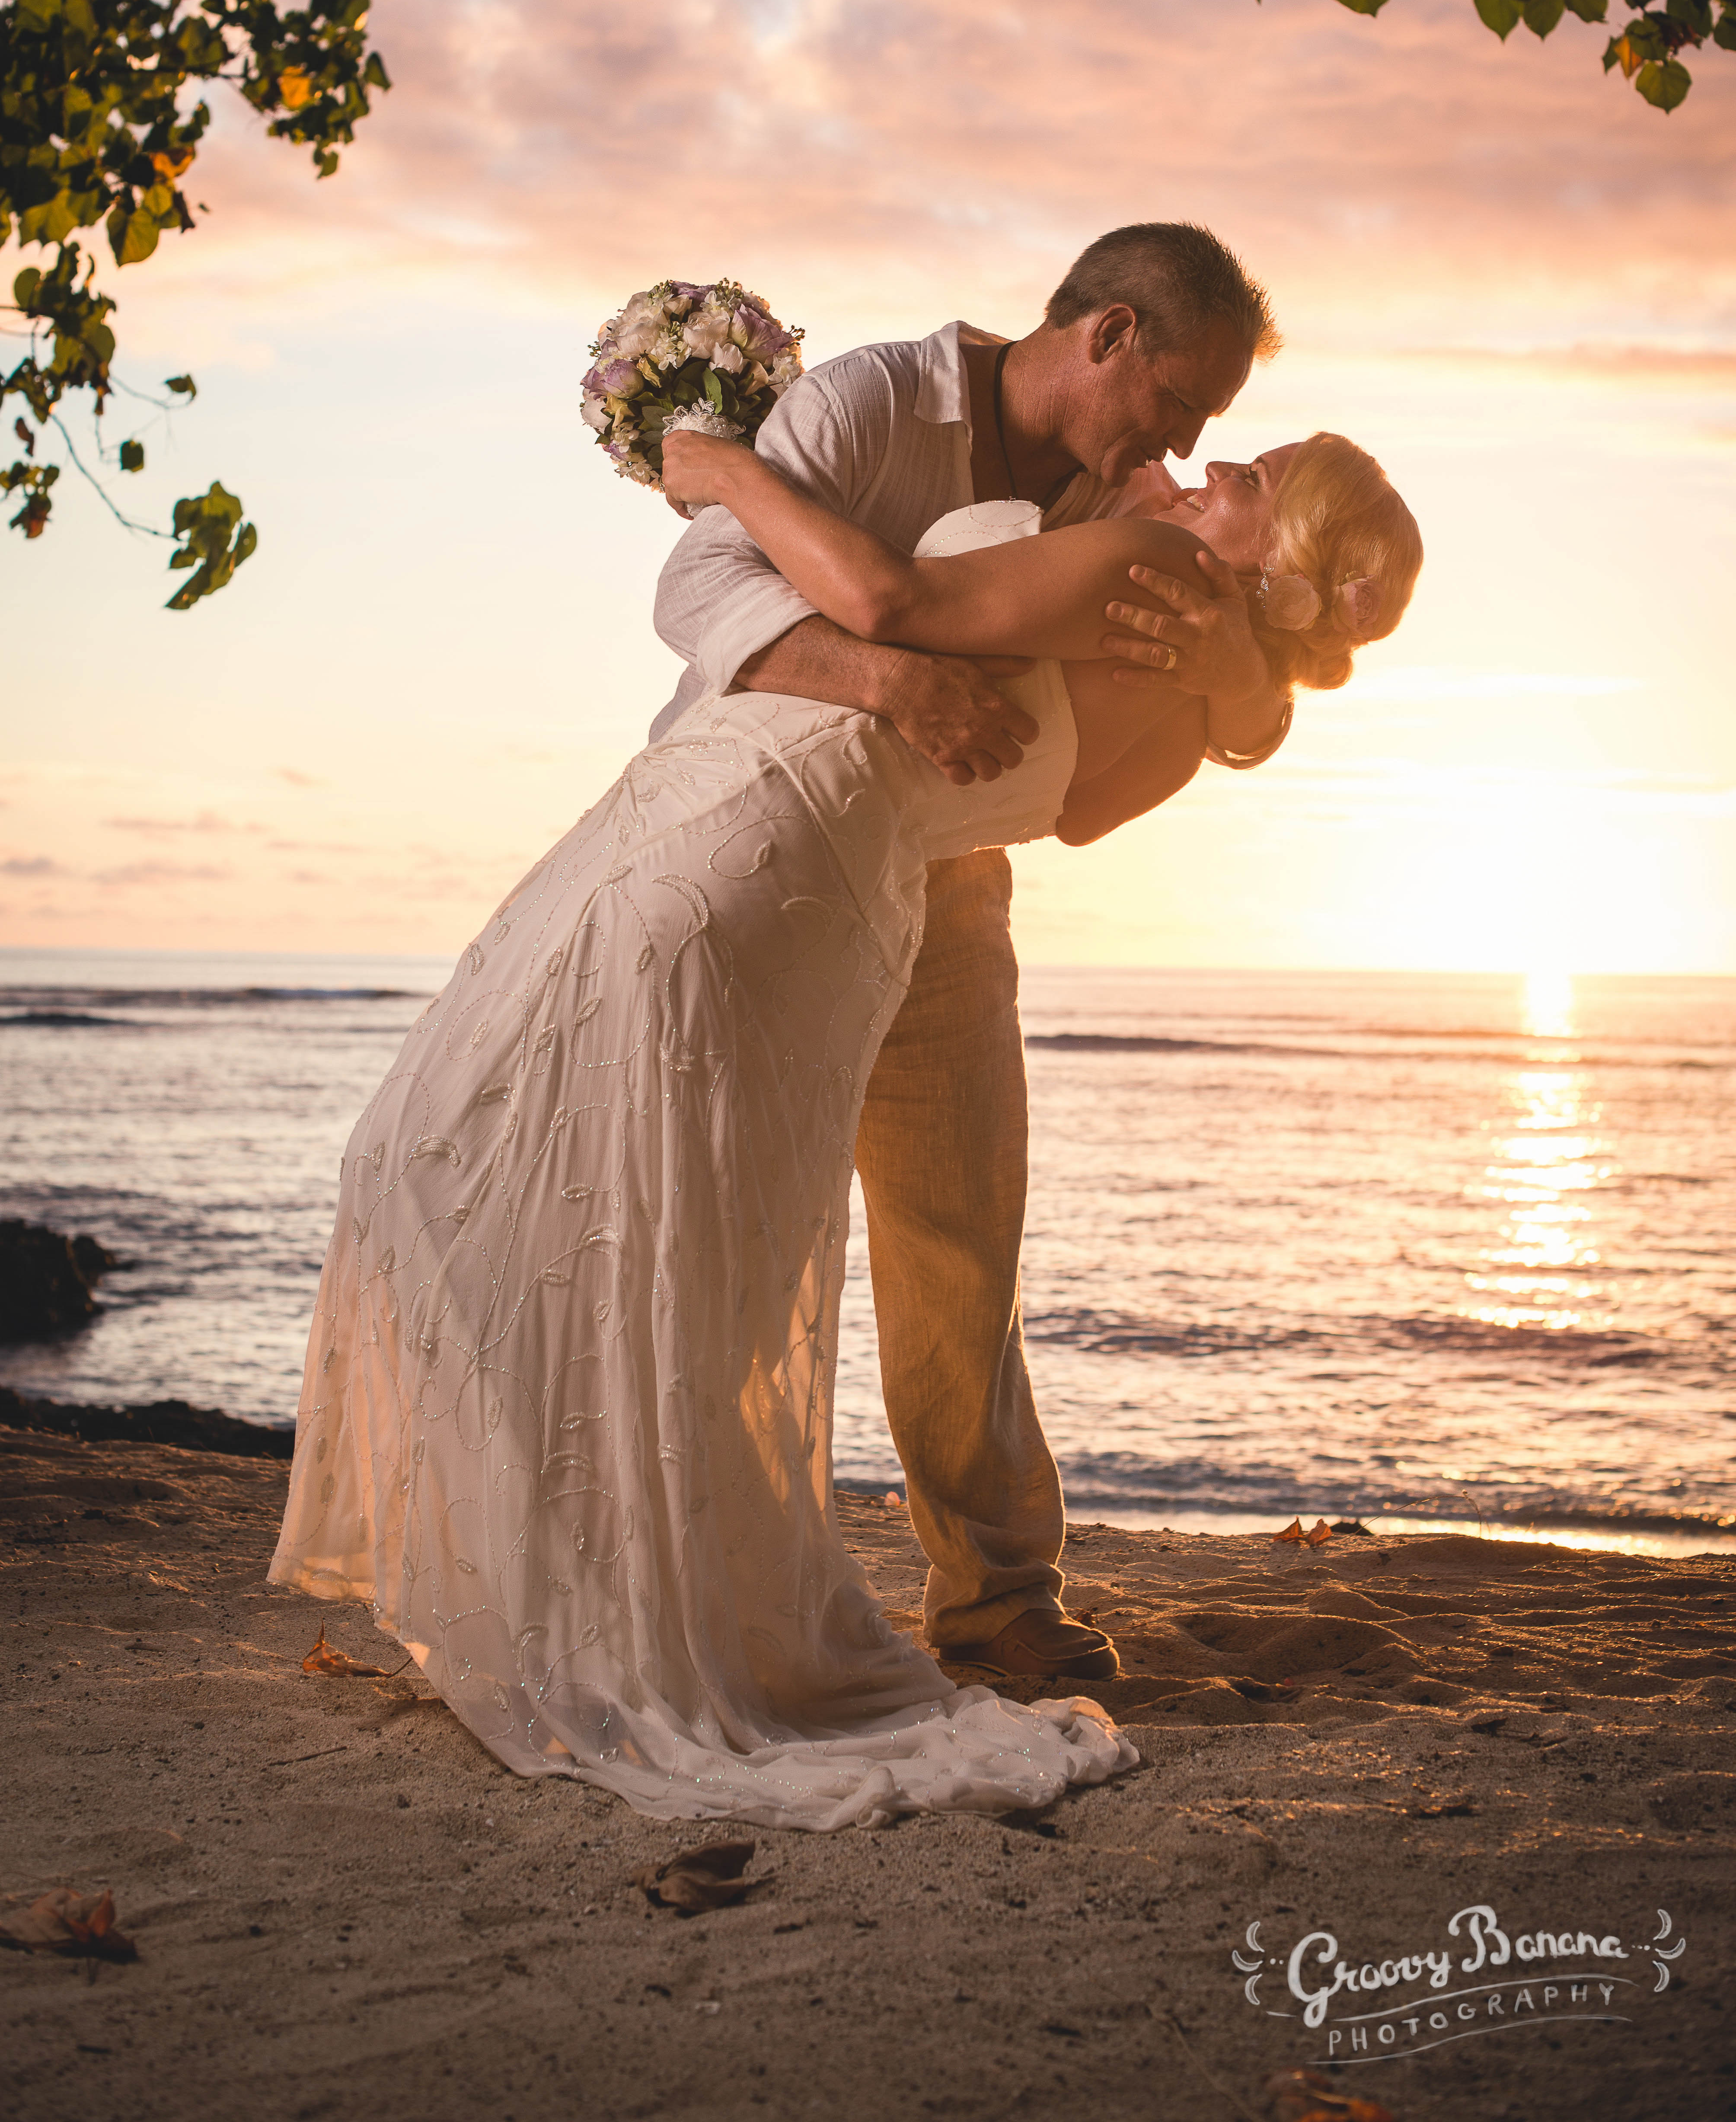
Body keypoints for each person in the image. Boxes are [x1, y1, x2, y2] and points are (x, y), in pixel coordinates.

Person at [269, 423, 1420, 1830]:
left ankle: (582, 1591)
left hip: (754, 826)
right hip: (828, 869)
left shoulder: (1138, 552)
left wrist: (724, 470)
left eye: (1260, 474)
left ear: (1274, 551)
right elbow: (1064, 787)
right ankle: (604, 1580)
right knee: (664, 1233)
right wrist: (1245, 678)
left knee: (482, 1164)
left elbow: (901, 612)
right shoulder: (1183, 705)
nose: (1216, 456)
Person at [649, 223, 1297, 1681]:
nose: (1189, 447)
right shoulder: (874, 404)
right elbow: (698, 597)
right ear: (1112, 334)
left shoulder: (1123, 493)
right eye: (1182, 405)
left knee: (961, 1246)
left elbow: (1245, 721)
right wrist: (895, 685)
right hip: (765, 861)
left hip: (951, 893)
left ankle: (1000, 1604)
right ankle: (689, 1563)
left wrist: (1243, 675)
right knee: (732, 1232)